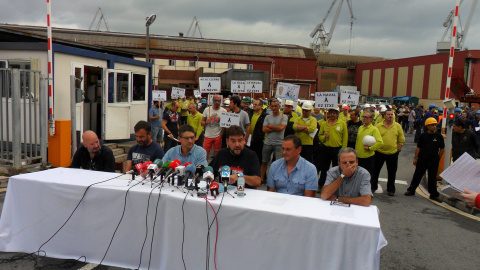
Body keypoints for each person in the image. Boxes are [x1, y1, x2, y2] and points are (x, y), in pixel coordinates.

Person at [404, 117, 444, 202]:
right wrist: (416, 158)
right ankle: (411, 190)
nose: (434, 127)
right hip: (422, 159)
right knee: (417, 175)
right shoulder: (423, 136)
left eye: (435, 125)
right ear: (427, 126)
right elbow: (418, 147)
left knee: (432, 178)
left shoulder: (439, 136)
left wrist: (438, 158)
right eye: (432, 125)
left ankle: (433, 194)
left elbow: (442, 148)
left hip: (433, 160)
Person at [372, 109, 405, 196]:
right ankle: (373, 187)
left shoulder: (397, 126)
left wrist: (399, 148)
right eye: (388, 114)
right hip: (379, 152)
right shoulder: (378, 126)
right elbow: (373, 137)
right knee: (375, 171)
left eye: (391, 114)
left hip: (392, 153)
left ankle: (391, 189)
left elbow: (401, 138)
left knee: (392, 172)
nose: (390, 116)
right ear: (384, 116)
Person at [318, 107, 348, 189]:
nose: (332, 115)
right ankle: (321, 184)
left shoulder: (342, 124)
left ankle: (336, 185)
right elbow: (319, 136)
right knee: (324, 168)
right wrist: (324, 136)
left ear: (337, 114)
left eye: (334, 113)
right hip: (325, 149)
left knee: (337, 168)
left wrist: (343, 150)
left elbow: (345, 137)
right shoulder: (324, 124)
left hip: (337, 149)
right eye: (330, 113)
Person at [261, 99, 288, 182]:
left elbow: (282, 128)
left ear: (279, 106)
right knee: (264, 161)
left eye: (276, 106)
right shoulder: (267, 117)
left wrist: (270, 126)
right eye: (272, 106)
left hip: (279, 143)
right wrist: (276, 127)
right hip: (268, 142)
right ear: (270, 106)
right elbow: (264, 129)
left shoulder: (284, 116)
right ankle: (261, 178)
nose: (274, 107)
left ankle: (277, 179)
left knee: (279, 163)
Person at [355, 110, 383, 185]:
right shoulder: (361, 127)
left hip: (368, 157)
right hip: (358, 155)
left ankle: (367, 192)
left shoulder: (374, 129)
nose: (364, 118)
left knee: (367, 175)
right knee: (358, 175)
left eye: (366, 117)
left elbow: (380, 142)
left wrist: (370, 148)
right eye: (363, 117)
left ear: (371, 119)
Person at [201, 94, 226, 160]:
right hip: (208, 135)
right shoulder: (207, 110)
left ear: (221, 101)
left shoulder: (224, 111)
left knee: (217, 152)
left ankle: (215, 166)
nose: (217, 102)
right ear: (212, 101)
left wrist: (221, 134)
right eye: (215, 100)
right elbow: (202, 123)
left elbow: (225, 125)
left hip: (218, 135)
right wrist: (206, 122)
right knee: (205, 152)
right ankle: (204, 165)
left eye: (219, 100)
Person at [248, 98, 267, 165]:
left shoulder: (265, 116)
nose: (254, 106)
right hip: (250, 140)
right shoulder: (250, 113)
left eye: (256, 104)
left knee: (259, 158)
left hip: (259, 140)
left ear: (261, 106)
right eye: (253, 104)